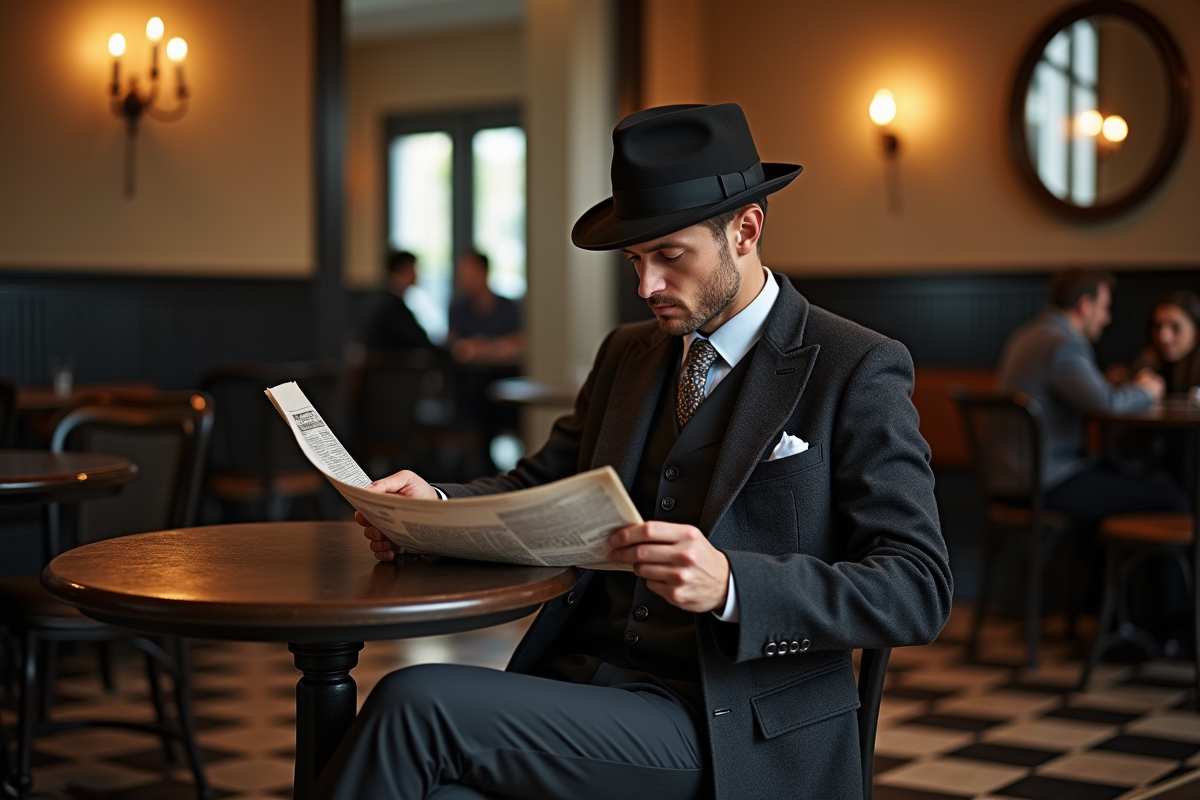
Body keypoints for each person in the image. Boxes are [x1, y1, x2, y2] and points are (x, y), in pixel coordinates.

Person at [313, 103, 953, 800]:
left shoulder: (855, 366)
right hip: (586, 682)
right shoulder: (629, 353)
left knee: (417, 706)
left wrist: (735, 584)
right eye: (635, 262)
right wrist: (432, 504)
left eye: (670, 256)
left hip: (729, 725)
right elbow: (541, 483)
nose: (647, 286)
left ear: (746, 230)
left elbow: (917, 586)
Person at [996, 269, 1188, 520]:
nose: (1107, 318)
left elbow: (1077, 389)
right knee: (1174, 500)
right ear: (1086, 305)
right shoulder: (1064, 342)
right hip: (1044, 480)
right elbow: (1105, 403)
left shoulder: (1028, 334)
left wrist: (1104, 381)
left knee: (1130, 475)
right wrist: (1145, 390)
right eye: (1104, 308)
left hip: (1011, 475)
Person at [447, 250, 524, 364]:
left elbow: (519, 343)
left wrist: (484, 348)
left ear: (484, 272)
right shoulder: (458, 309)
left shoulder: (507, 307)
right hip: (469, 378)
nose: (465, 282)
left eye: (470, 275)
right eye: (462, 276)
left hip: (503, 375)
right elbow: (454, 347)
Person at [1131, 291, 1200, 395]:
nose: (1163, 337)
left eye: (1176, 328)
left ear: (1195, 331)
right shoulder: (1151, 358)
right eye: (1158, 326)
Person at [363, 250, 434, 351]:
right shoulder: (391, 305)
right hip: (389, 365)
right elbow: (417, 339)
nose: (417, 274)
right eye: (415, 269)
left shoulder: (384, 299)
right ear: (406, 269)